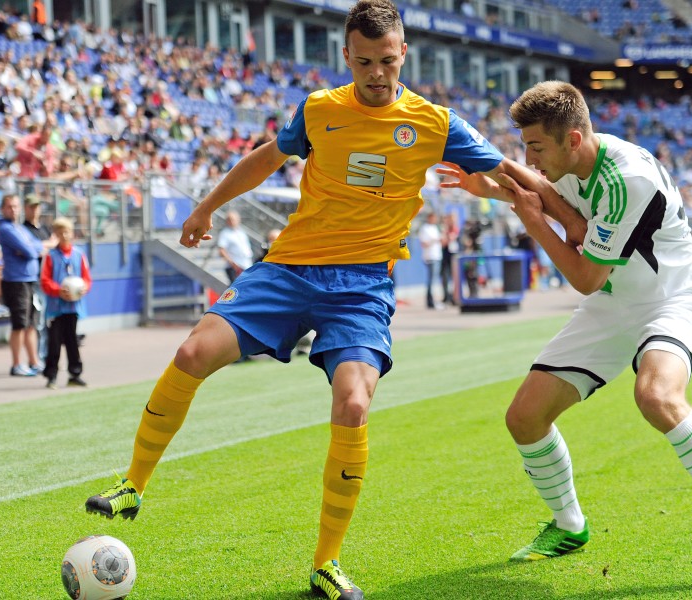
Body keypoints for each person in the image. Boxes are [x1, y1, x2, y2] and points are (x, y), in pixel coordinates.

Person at [82, 4, 582, 599]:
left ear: (404, 56)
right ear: (347, 56)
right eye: (365, 60)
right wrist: (204, 206)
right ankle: (134, 485)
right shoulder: (320, 110)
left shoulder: (436, 122)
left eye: (387, 60)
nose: (377, 72)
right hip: (289, 268)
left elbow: (510, 170)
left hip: (363, 287)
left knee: (353, 405)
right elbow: (266, 157)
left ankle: (326, 563)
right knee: (193, 352)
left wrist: (573, 218)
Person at [439, 80, 692, 582]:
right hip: (614, 302)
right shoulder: (578, 160)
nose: (530, 158)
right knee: (525, 418)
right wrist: (496, 185)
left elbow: (583, 275)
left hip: (672, 299)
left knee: (657, 396)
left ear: (571, 140)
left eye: (536, 147)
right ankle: (570, 525)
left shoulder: (628, 179)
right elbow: (566, 213)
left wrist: (532, 219)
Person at [0, 194, 54, 377]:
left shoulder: (19, 228)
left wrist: (34, 247)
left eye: (15, 206)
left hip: (29, 280)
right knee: (19, 324)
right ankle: (16, 364)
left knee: (30, 324)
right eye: (9, 206)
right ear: (2, 209)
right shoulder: (6, 229)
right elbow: (31, 250)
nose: (13, 209)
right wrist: (35, 248)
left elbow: (33, 245)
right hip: (16, 282)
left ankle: (34, 361)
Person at [40, 217, 90, 389]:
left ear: (72, 234)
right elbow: (45, 281)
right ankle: (51, 375)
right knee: (54, 343)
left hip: (73, 307)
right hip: (55, 308)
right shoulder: (51, 256)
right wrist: (58, 290)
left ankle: (75, 374)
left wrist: (83, 289)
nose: (63, 235)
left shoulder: (79, 255)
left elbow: (87, 279)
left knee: (72, 341)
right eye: (59, 233)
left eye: (66, 232)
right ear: (55, 235)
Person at [23, 193, 57, 364]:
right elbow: (33, 249)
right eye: (31, 207)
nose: (35, 210)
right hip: (35, 281)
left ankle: (49, 357)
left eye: (37, 207)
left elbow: (53, 245)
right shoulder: (24, 229)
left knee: (51, 321)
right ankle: (39, 357)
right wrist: (45, 246)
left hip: (50, 279)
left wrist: (46, 246)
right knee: (38, 322)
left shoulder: (44, 228)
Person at [215, 209, 253, 284]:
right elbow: (221, 250)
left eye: (233, 219)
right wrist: (232, 263)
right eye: (229, 219)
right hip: (235, 267)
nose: (232, 221)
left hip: (246, 265)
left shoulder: (241, 232)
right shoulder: (225, 233)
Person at [417, 211, 443, 309]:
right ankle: (431, 301)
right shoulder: (425, 228)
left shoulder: (435, 228)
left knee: (434, 280)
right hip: (430, 257)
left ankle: (432, 301)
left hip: (437, 256)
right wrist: (434, 240)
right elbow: (424, 243)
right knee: (431, 280)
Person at [440, 211, 460, 304]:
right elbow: (443, 243)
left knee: (454, 276)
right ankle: (446, 296)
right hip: (445, 255)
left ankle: (455, 297)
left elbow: (451, 238)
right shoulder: (444, 229)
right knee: (445, 276)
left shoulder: (455, 229)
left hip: (453, 255)